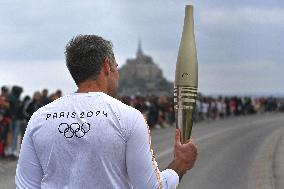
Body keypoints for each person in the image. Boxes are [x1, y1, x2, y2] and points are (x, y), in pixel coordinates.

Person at [16, 35, 197, 189]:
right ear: (106, 66)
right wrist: (180, 164)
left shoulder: (39, 118)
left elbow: (25, 186)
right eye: (116, 67)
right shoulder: (129, 117)